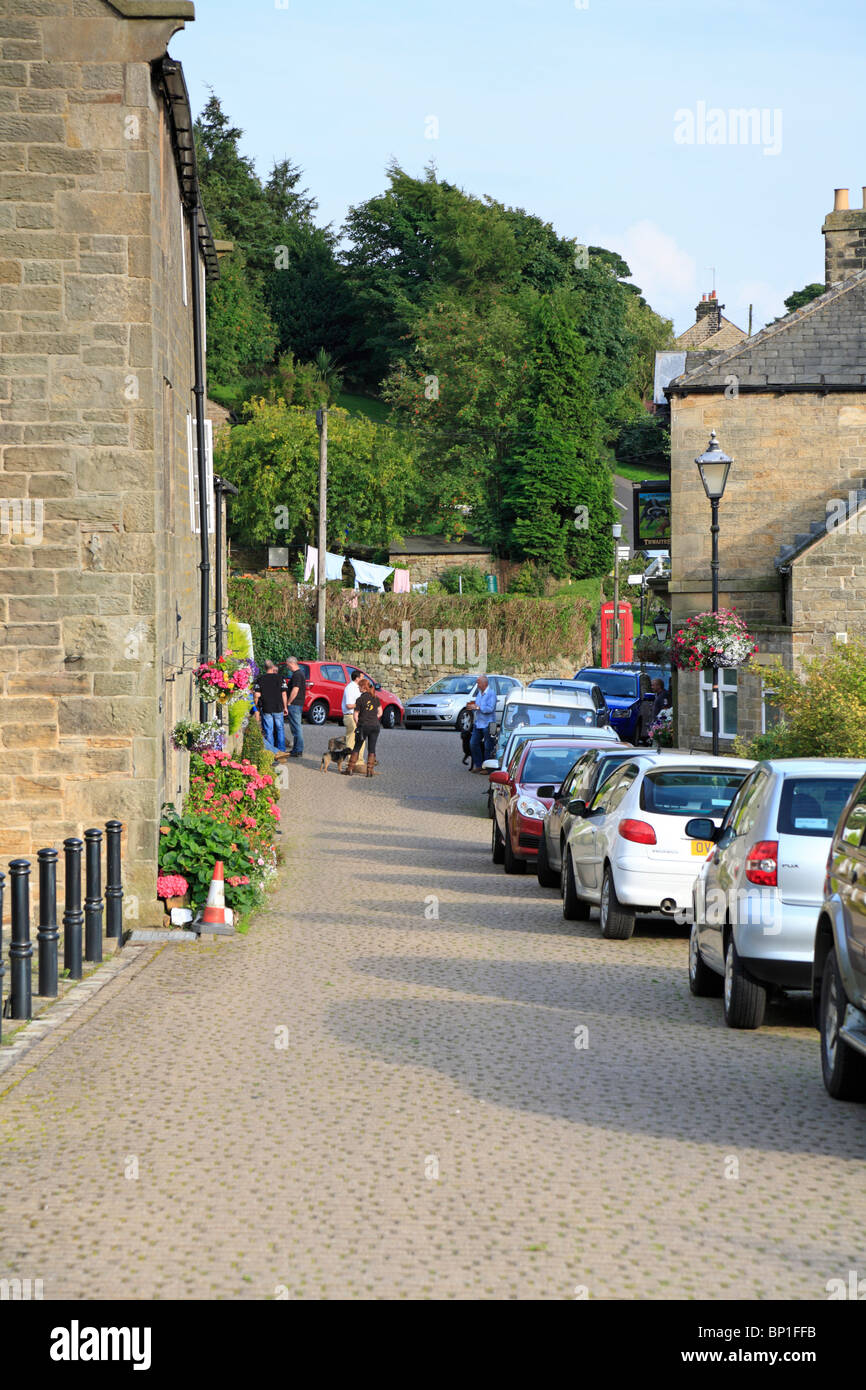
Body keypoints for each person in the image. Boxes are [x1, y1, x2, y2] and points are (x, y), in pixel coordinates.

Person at [343, 676, 383, 777]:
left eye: (359, 687)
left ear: (363, 688)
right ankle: (369, 771)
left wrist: (358, 723)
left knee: (357, 747)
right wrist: (373, 718)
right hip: (375, 726)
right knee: (372, 749)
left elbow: (355, 715)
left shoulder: (360, 699)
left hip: (363, 726)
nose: (359, 689)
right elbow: (380, 713)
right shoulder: (375, 698)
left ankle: (350, 769)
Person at [254, 660, 288, 758]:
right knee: (280, 729)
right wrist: (285, 707)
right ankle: (282, 751)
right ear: (273, 667)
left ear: (264, 668)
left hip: (266, 708)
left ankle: (271, 753)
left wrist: (256, 706)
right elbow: (284, 694)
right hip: (278, 707)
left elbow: (256, 695)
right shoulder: (280, 678)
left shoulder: (260, 679)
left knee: (269, 730)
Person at [467, 674, 496, 773]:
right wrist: (472, 706)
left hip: (489, 724)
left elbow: (490, 708)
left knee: (489, 746)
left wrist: (478, 708)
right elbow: (478, 706)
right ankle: (479, 765)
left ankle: (488, 768)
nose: (477, 684)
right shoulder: (479, 693)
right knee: (473, 743)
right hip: (478, 723)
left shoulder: (491, 694)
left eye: (478, 682)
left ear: (485, 683)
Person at [285, 657, 306, 758]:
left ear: (291, 663)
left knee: (296, 728)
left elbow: (295, 690)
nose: (287, 666)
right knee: (296, 727)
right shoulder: (300, 673)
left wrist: (289, 702)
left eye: (287, 664)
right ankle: (297, 749)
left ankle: (298, 750)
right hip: (298, 703)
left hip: (295, 704)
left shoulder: (297, 675)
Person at [342, 668, 362, 755]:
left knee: (361, 738)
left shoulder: (358, 688)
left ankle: (358, 760)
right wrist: (361, 704)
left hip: (358, 715)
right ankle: (350, 761)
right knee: (351, 738)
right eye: (362, 677)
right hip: (350, 715)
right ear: (357, 678)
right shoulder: (350, 688)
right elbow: (349, 705)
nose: (363, 679)